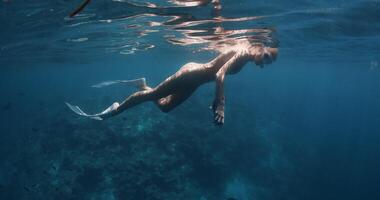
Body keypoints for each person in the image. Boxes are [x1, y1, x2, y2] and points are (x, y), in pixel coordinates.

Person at [66, 40, 278, 125]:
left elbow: (219, 73)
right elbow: (220, 73)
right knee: (154, 96)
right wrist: (221, 103)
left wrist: (216, 100)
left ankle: (142, 84)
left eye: (268, 63)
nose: (263, 65)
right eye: (267, 58)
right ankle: (113, 111)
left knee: (166, 107)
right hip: (192, 73)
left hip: (196, 81)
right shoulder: (243, 52)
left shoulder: (247, 55)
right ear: (262, 47)